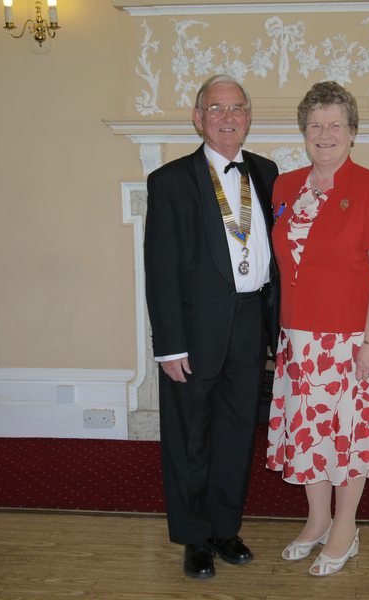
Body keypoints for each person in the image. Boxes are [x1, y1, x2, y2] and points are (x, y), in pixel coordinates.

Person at [144, 74, 279, 579]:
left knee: (237, 434)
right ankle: (194, 537)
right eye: (216, 109)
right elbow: (160, 269)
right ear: (198, 117)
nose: (227, 118)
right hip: (194, 331)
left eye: (236, 108)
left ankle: (225, 529)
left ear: (249, 117)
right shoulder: (170, 181)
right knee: (190, 438)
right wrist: (169, 345)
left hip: (250, 323)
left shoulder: (266, 172)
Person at [265, 81, 369, 576]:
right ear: (304, 131)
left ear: (352, 131)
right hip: (298, 339)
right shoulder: (284, 186)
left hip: (350, 341)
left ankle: (345, 526)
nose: (325, 134)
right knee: (309, 434)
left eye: (335, 125)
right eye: (315, 124)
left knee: (348, 436)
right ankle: (317, 519)